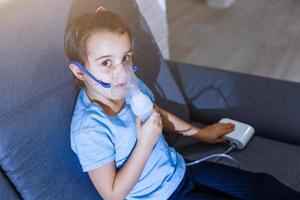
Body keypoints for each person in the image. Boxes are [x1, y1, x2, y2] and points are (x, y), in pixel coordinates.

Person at [64, 8, 300, 200]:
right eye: (106, 63)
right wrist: (145, 143)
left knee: (262, 186)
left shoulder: (127, 88)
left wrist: (201, 134)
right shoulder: (90, 128)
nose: (123, 73)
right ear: (79, 71)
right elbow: (112, 194)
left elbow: (155, 113)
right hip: (159, 196)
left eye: (126, 58)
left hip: (181, 171)